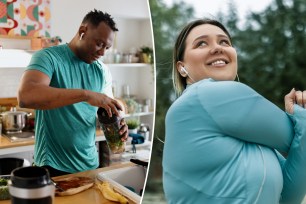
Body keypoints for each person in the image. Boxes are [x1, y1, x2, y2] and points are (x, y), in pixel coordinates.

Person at [163, 18, 306, 204]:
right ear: (181, 68)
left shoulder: (247, 132)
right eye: (201, 43)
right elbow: (294, 138)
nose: (217, 48)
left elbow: (286, 197)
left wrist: (302, 120)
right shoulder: (205, 94)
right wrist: (299, 115)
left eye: (224, 42)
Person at [18, 9, 128, 177]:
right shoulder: (48, 57)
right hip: (52, 167)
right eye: (99, 44)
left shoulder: (102, 71)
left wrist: (119, 123)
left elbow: (109, 109)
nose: (102, 52)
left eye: (107, 47)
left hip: (90, 165)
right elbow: (26, 96)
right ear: (82, 31)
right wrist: (86, 94)